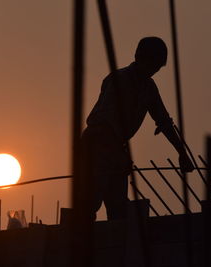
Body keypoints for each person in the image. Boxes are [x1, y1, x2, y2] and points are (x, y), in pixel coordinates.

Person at [82, 36, 194, 221]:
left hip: (115, 148)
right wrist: (117, 153)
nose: (154, 70)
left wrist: (182, 152)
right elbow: (103, 123)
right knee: (91, 200)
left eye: (158, 67)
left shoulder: (148, 87)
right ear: (140, 58)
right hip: (96, 144)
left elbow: (164, 122)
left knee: (118, 207)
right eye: (153, 65)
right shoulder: (120, 80)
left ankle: (115, 244)